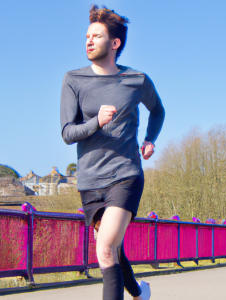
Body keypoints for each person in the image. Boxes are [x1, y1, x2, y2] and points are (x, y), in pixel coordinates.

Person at [60, 5, 165, 300]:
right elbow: (68, 133)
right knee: (113, 248)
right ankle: (139, 292)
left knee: (104, 248)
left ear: (115, 43)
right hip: (90, 181)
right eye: (86, 36)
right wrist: (97, 121)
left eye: (96, 36)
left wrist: (149, 139)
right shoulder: (73, 80)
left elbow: (157, 111)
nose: (88, 41)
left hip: (125, 175)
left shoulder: (137, 80)